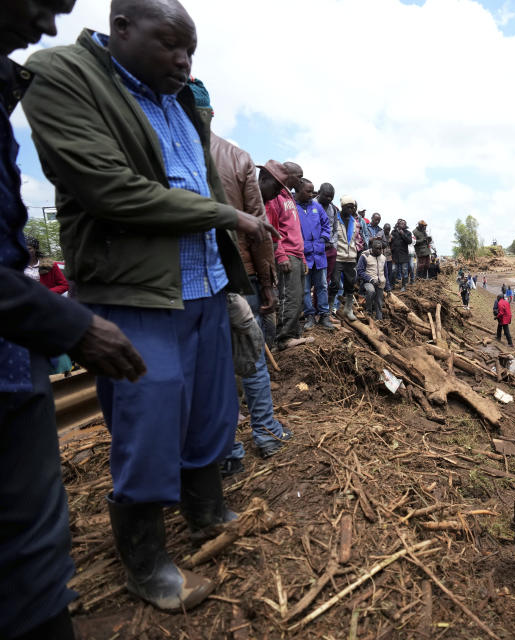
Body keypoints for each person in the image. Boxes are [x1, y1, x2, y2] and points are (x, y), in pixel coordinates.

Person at [22, 0, 280, 611]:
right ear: (122, 28)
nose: (184, 61)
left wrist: (231, 264)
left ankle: (206, 510)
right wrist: (226, 215)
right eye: (171, 45)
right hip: (136, 291)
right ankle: (146, 561)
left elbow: (205, 181)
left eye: (190, 50)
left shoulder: (182, 99)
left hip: (204, 284)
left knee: (211, 412)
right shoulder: (64, 76)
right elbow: (110, 189)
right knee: (149, 420)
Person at [1, 3, 144, 637]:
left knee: (31, 539)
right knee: (27, 543)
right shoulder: (59, 81)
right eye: (45, 2)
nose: (50, 26)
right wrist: (70, 325)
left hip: (15, 348)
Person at [203, 96, 292, 465]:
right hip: (240, 276)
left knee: (211, 364)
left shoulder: (158, 149)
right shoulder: (234, 157)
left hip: (194, 280)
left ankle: (224, 451)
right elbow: (258, 229)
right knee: (252, 356)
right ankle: (266, 433)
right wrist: (267, 281)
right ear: (210, 114)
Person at [263, 160, 306, 350]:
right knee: (288, 295)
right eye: (299, 176)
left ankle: (294, 333)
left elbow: (294, 229)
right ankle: (283, 338)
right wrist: (280, 255)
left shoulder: (290, 197)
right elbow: (274, 229)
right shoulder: (275, 197)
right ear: (287, 175)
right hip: (287, 253)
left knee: (297, 297)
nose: (301, 179)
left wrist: (303, 257)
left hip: (297, 253)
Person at [299, 182, 333, 330]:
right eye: (309, 191)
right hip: (303, 254)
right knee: (305, 288)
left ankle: (324, 315)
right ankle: (310, 316)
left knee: (322, 286)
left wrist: (323, 239)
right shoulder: (293, 207)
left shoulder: (316, 207)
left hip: (319, 253)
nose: (312, 195)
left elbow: (326, 225)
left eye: (313, 192)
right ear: (299, 190)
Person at [332, 196, 364, 321]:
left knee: (350, 284)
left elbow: (357, 238)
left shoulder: (355, 222)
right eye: (349, 207)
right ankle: (330, 309)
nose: (351, 210)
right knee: (334, 284)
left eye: (353, 207)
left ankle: (348, 309)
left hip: (350, 258)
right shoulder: (335, 219)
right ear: (342, 207)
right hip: (338, 257)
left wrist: (356, 249)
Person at [357, 239, 387, 320]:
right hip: (367, 282)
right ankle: (368, 312)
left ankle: (379, 320)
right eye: (377, 248)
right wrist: (370, 279)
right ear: (372, 248)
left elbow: (385, 273)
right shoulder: (365, 256)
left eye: (380, 248)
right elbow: (359, 271)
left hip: (380, 283)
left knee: (379, 303)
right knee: (371, 291)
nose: (379, 250)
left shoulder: (383, 258)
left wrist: (388, 287)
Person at [389, 219, 412, 290]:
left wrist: (403, 234)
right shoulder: (393, 232)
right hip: (395, 255)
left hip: (404, 255)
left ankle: (404, 286)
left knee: (404, 272)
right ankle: (392, 285)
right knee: (393, 271)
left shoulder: (408, 233)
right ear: (398, 225)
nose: (403, 225)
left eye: (404, 224)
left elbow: (409, 241)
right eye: (401, 224)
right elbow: (390, 242)